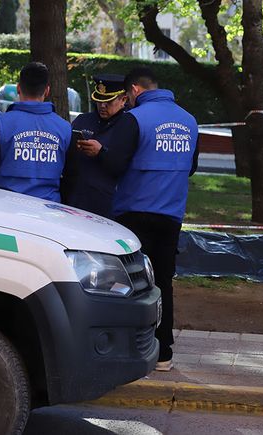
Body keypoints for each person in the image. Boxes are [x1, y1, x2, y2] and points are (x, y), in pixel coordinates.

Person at [77, 67, 198, 372]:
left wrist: (100, 152)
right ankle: (164, 351)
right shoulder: (189, 120)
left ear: (134, 90)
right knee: (163, 282)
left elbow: (117, 164)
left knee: (127, 282)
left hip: (134, 212)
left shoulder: (135, 118)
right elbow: (192, 167)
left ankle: (128, 349)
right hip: (171, 213)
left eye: (128, 96)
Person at [0, 62, 72, 202]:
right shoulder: (65, 128)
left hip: (5, 209)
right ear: (47, 90)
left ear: (18, 88)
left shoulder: (1, 124)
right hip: (49, 210)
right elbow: (71, 179)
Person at [64, 74, 129, 218]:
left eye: (108, 101)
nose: (102, 106)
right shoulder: (83, 120)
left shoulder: (129, 126)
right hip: (76, 200)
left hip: (109, 205)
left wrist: (101, 152)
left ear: (123, 100)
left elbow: (124, 164)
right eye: (99, 100)